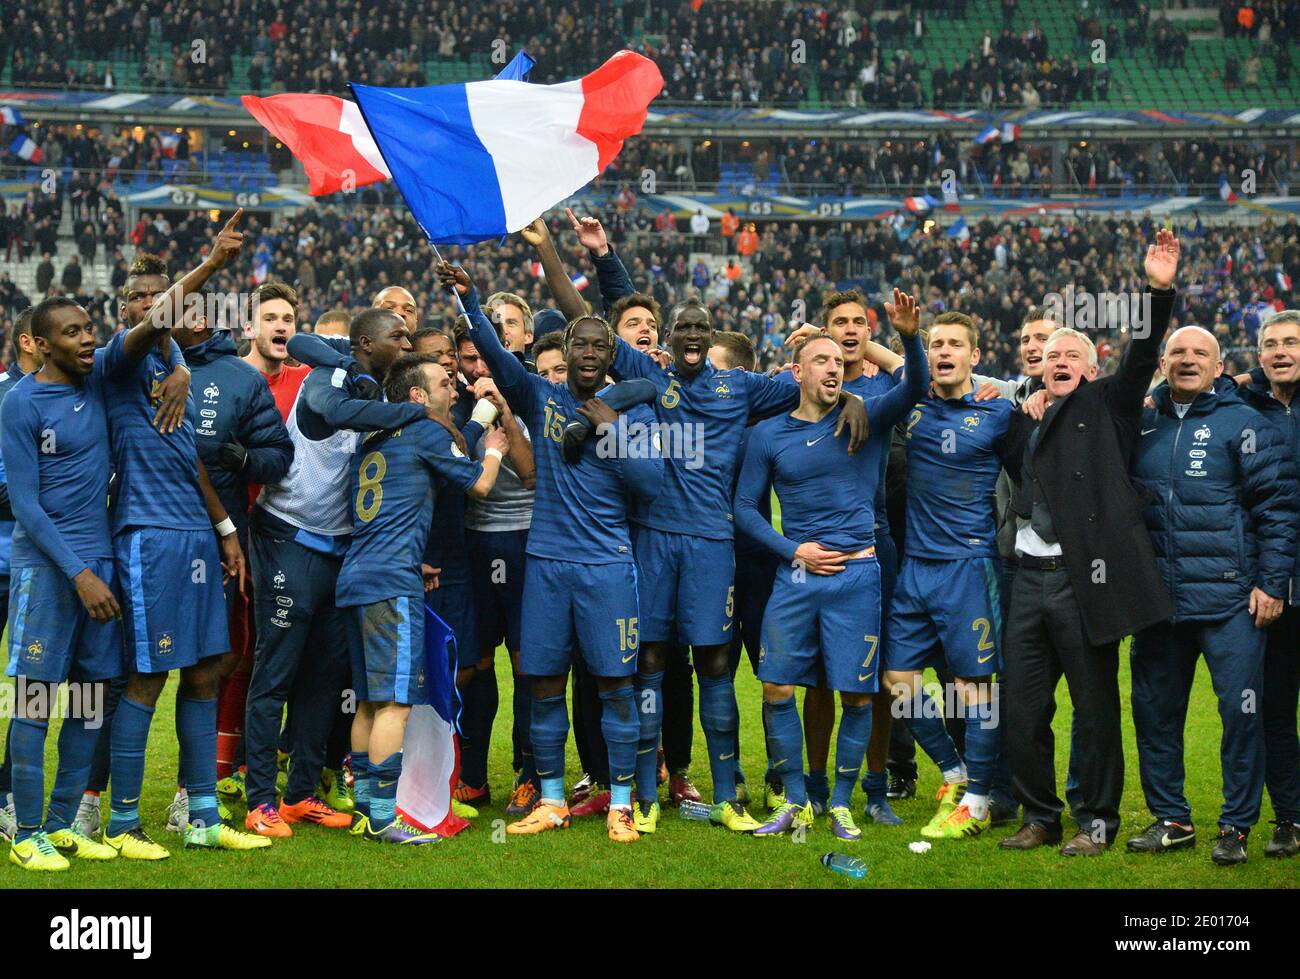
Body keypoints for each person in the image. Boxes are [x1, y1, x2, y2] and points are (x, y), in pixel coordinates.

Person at [555, 210, 868, 834]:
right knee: (647, 661)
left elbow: (816, 386)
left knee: (716, 666)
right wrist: (595, 255)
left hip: (712, 546)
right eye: (684, 330)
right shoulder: (653, 377)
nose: (694, 336)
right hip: (651, 541)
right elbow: (589, 321)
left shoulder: (741, 387)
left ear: (712, 333)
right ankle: (643, 796)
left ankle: (727, 794)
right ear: (670, 341)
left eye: (702, 328)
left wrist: (854, 392)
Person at [437, 259, 663, 844]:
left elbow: (652, 486)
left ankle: (618, 803)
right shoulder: (542, 397)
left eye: (597, 346)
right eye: (579, 344)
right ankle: (553, 799)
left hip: (608, 567)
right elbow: (500, 357)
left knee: (615, 686)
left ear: (610, 357)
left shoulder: (632, 414)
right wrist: (470, 296)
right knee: (541, 683)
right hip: (546, 565)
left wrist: (608, 426)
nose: (587, 353)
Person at [998, 230, 1180, 856]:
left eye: (1071, 353)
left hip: (1085, 579)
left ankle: (1095, 819)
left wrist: (1155, 291)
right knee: (1022, 708)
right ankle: (1039, 815)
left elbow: (1141, 353)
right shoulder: (1025, 417)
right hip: (1026, 574)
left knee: (1094, 709)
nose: (1059, 360)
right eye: (1050, 354)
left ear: (1091, 368)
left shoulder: (1112, 405)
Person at [97, 233, 267, 859]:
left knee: (204, 673)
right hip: (147, 537)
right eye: (139, 298)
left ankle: (200, 816)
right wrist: (214, 265)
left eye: (156, 295)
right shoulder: (119, 357)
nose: (151, 304)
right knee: (146, 679)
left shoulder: (174, 369)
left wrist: (225, 531)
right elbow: (155, 326)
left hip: (195, 534)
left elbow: (189, 460)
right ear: (125, 311)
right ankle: (120, 824)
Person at [736, 291, 927, 839]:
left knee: (859, 693)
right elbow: (744, 507)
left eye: (840, 363)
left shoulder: (865, 416)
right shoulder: (768, 433)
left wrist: (909, 338)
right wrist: (790, 549)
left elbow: (915, 386)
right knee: (777, 686)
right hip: (795, 576)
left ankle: (843, 801)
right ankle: (796, 799)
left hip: (857, 575)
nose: (834, 368)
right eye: (822, 359)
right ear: (796, 370)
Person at [1, 295, 177, 870]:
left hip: (101, 566)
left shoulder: (98, 377)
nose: (85, 340)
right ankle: (26, 834)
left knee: (92, 699)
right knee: (33, 701)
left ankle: (61, 823)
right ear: (40, 344)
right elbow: (24, 504)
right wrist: (77, 574)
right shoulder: (20, 403)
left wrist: (180, 368)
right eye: (71, 333)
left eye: (88, 329)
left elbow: (154, 326)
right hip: (50, 571)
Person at [240, 308, 426, 838]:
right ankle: (259, 801)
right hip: (289, 538)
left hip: (341, 552)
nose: (407, 341)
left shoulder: (385, 391)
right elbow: (332, 406)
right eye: (399, 335)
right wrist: (407, 413)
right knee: (275, 674)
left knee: (323, 681)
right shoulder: (329, 380)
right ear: (367, 342)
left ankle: (299, 795)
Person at [1128, 318, 1298, 865]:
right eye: (1177, 352)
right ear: (1162, 365)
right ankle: (1172, 819)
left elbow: (1277, 510)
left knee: (1241, 715)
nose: (1188, 359)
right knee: (1155, 715)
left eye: (1201, 353)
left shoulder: (1246, 423)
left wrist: (1272, 584)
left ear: (1220, 367)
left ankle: (1237, 826)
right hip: (1158, 603)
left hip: (1230, 603)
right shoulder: (1141, 424)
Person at [337, 354, 507, 843]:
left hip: (358, 576)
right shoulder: (424, 430)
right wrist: (491, 447)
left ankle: (366, 810)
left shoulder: (372, 438)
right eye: (444, 384)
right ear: (416, 395)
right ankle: (386, 820)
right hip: (392, 582)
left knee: (368, 702)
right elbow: (478, 483)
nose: (453, 391)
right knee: (395, 704)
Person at [883, 310, 1015, 840]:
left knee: (972, 687)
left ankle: (978, 803)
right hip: (916, 566)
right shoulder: (912, 400)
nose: (944, 352)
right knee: (897, 681)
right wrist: (901, 338)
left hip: (968, 567)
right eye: (936, 343)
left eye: (955, 344)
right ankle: (955, 773)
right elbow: (896, 361)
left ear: (974, 356)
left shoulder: (998, 411)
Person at [167, 288, 293, 830]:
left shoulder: (239, 379)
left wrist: (245, 459)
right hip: (141, 540)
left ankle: (194, 790)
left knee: (217, 661)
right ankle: (91, 805)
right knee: (127, 674)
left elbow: (279, 457)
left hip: (222, 546)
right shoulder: (129, 366)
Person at [1233, 309, 1300, 858]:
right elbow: (1171, 391)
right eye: (1271, 345)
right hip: (1274, 588)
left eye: (1292, 343)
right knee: (1275, 710)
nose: (1280, 352)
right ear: (1258, 356)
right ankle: (1291, 818)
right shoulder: (1242, 406)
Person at [0, 308, 41, 843]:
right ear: (32, 342)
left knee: (31, 689)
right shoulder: (6, 395)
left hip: (39, 567)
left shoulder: (74, 396)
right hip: (5, 560)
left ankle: (9, 795)